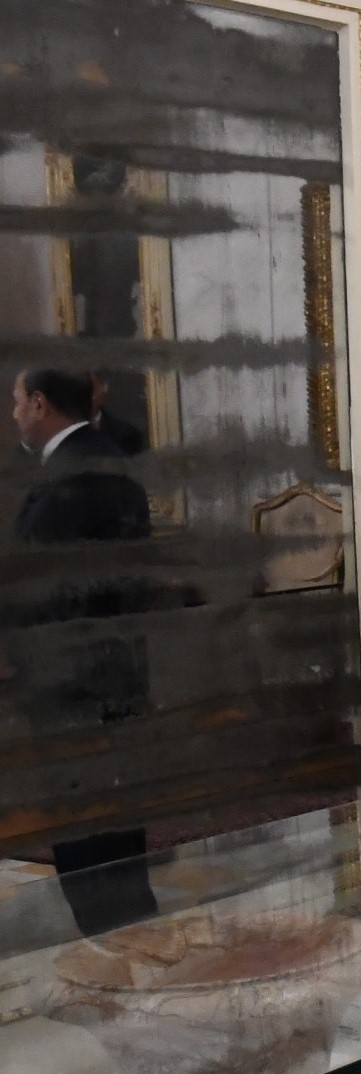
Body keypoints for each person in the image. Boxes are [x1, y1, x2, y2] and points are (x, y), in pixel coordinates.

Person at [10, 368, 157, 934]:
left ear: (41, 404)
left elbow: (51, 589)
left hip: (73, 684)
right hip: (111, 675)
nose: (15, 413)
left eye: (18, 402)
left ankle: (113, 952)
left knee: (89, 838)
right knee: (114, 831)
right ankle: (130, 941)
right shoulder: (106, 458)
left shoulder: (71, 473)